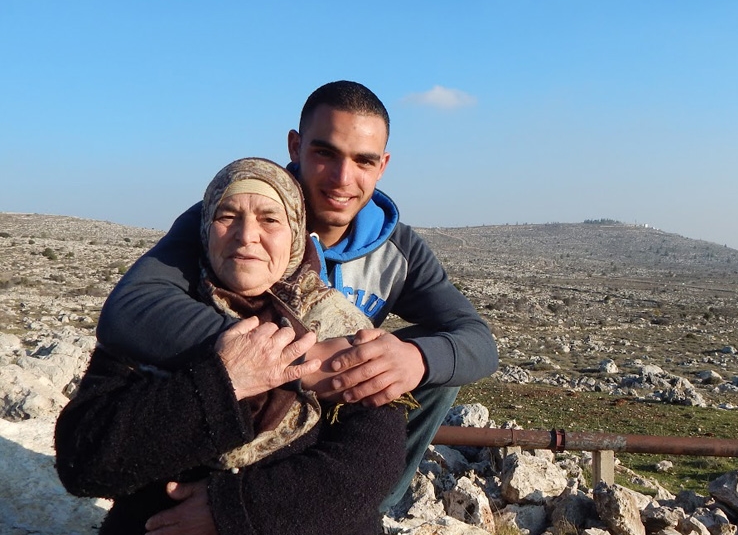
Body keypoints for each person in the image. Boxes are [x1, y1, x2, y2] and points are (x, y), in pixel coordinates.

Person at [95, 80, 499, 514]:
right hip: (236, 418)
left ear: (382, 166)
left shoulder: (395, 249)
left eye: (363, 161)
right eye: (325, 153)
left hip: (332, 433)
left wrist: (415, 360)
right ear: (295, 146)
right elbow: (130, 309)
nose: (343, 178)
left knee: (429, 365)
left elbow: (477, 341)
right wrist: (287, 359)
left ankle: (367, 506)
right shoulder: (236, 216)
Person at [56, 157, 408, 534]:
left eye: (270, 219)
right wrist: (226, 381)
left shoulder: (341, 328)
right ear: (206, 229)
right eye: (228, 216)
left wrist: (231, 510)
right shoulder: (158, 321)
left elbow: (369, 465)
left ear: (297, 234)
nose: (246, 235)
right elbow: (85, 461)